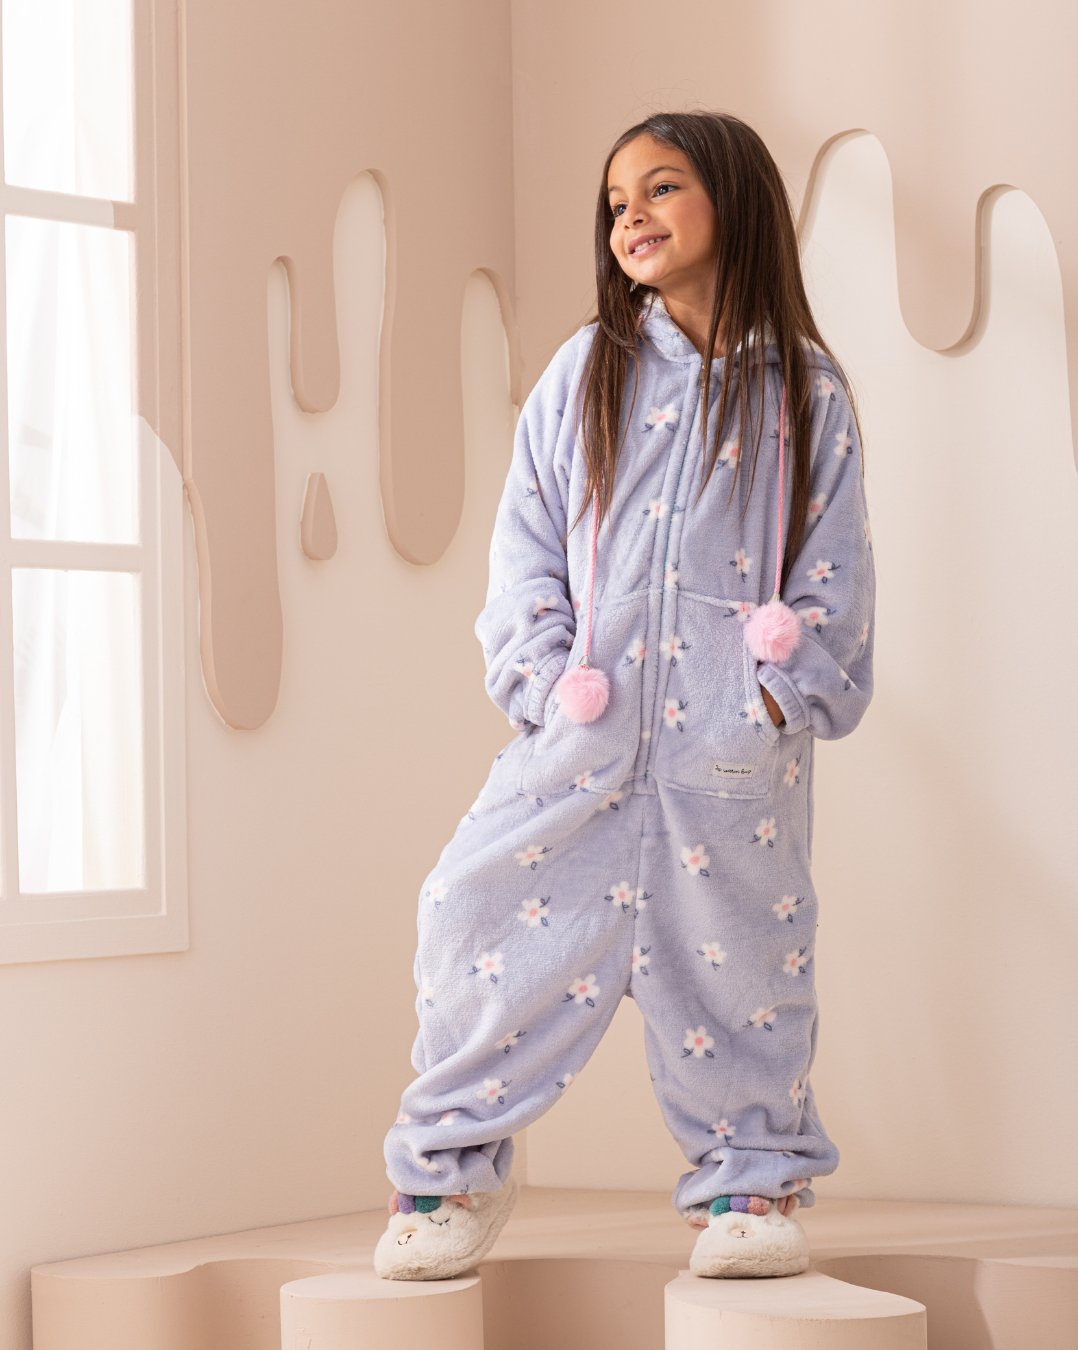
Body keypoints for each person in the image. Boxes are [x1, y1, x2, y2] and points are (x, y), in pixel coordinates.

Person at [375, 110, 875, 1281]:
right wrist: (548, 682)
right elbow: (525, 546)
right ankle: (451, 1173)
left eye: (660, 188)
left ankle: (750, 1183)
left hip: (726, 754)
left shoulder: (805, 391)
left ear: (734, 202)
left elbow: (836, 566)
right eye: (615, 202)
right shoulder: (586, 371)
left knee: (742, 958)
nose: (631, 216)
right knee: (473, 912)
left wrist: (773, 693)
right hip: (583, 735)